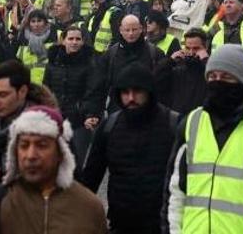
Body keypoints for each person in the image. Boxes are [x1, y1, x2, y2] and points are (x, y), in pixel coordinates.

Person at [162, 44, 243, 233]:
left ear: (241, 81)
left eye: (226, 77)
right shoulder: (191, 123)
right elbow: (174, 192)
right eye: (212, 77)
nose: (218, 82)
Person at [0, 105, 107, 234]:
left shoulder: (88, 206)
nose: (31, 155)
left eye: (42, 145)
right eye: (24, 145)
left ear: (61, 152)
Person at [82, 64, 178, 233]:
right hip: (121, 222)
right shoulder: (109, 127)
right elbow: (91, 177)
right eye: (125, 93)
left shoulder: (173, 125)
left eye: (137, 92)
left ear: (149, 92)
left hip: (163, 224)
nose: (131, 98)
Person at [84, 14, 163, 122]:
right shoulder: (111, 54)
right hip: (117, 114)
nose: (131, 33)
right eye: (127, 30)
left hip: (148, 114)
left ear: (141, 29)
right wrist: (93, 113)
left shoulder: (154, 53)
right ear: (120, 30)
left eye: (134, 29)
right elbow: (97, 86)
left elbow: (162, 85)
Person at [43, 26, 95, 169]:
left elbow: (92, 93)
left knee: (75, 164)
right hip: (56, 120)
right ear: (63, 41)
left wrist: (88, 114)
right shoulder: (53, 64)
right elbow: (45, 91)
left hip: (79, 120)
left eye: (78, 39)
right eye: (70, 39)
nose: (74, 42)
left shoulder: (90, 65)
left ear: (83, 41)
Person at [157, 27, 210, 116]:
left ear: (205, 47)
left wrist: (206, 60)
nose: (191, 52)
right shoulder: (177, 69)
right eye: (188, 48)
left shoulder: (209, 71)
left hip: (200, 120)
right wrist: (169, 61)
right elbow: (155, 82)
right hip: (177, 120)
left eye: (196, 48)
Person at [15, 9, 57, 85]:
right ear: (29, 24)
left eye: (39, 21)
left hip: (49, 85)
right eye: (33, 21)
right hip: (29, 84)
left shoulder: (56, 37)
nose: (36, 24)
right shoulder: (22, 40)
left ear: (45, 23)